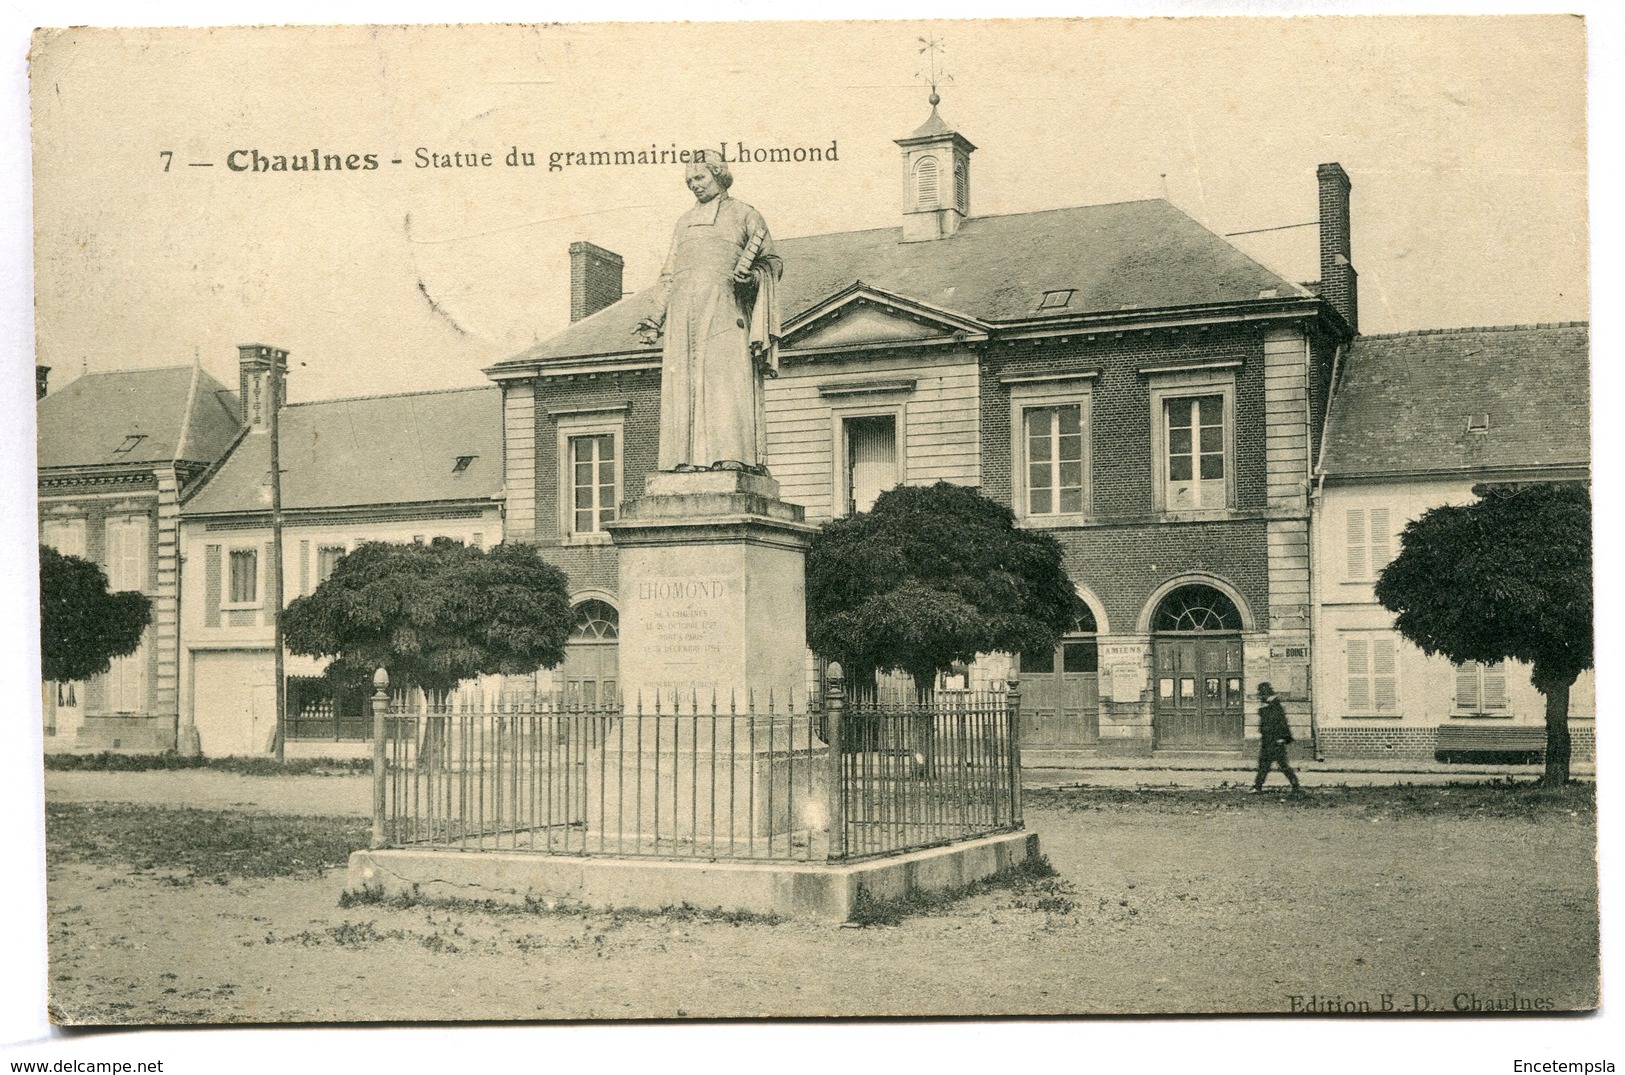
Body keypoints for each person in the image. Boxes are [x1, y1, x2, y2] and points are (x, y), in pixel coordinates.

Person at [634, 151, 783, 473]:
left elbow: (772, 262)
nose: (694, 185)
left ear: (719, 175)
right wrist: (653, 318)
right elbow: (669, 274)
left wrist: (752, 277)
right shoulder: (683, 222)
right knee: (682, 383)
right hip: (683, 315)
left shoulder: (746, 214)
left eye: (700, 177)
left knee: (724, 383)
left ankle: (733, 454)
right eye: (689, 181)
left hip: (725, 309)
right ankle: (683, 459)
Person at [1251, 681, 1303, 793]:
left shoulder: (1274, 705)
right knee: (1265, 765)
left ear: (1265, 693)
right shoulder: (1268, 704)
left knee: (1280, 765)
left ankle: (1295, 785)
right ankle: (1257, 786)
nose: (1260, 696)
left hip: (1275, 741)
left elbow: (1281, 723)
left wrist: (1281, 738)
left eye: (1261, 694)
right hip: (1269, 741)